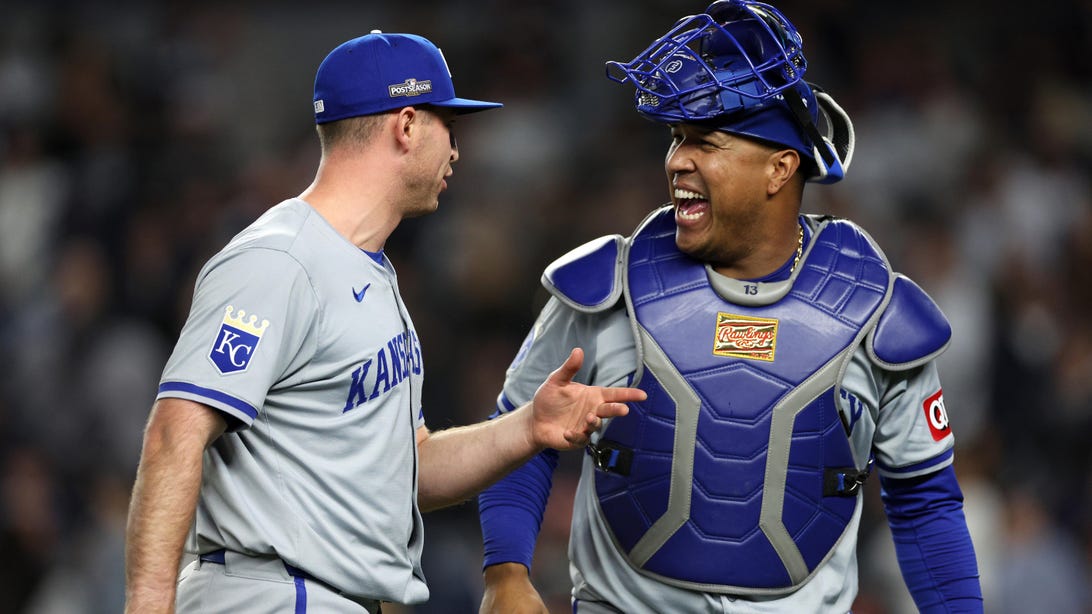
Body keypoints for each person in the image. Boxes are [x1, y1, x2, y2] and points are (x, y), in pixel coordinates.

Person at [477, 2, 984, 612]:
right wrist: (506, 574)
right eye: (676, 139)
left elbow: (925, 501)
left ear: (779, 168)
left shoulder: (875, 312)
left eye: (705, 143)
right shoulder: (607, 288)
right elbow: (519, 434)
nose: (676, 161)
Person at [123, 30, 646, 614]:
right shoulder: (280, 259)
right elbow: (175, 432)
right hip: (270, 592)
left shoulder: (368, 272)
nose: (456, 151)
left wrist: (527, 427)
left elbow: (411, 471)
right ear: (407, 125)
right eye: (449, 126)